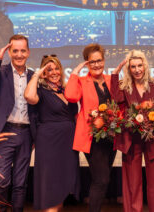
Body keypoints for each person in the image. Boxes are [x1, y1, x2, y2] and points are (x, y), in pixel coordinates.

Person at [0, 34, 37, 212]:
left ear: (28, 52)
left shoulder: (33, 76)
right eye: (15, 51)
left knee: (21, 183)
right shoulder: (1, 71)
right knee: (2, 181)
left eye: (23, 50)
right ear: (9, 52)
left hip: (26, 133)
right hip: (4, 131)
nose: (19, 54)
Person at [111, 50, 154, 212]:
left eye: (139, 65)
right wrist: (115, 73)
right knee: (132, 182)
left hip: (153, 138)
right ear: (128, 69)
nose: (137, 70)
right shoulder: (124, 86)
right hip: (130, 138)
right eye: (133, 66)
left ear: (145, 66)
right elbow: (115, 101)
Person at [24, 55, 80, 211]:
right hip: (49, 143)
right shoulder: (40, 90)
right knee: (51, 186)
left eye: (56, 68)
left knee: (61, 186)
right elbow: (29, 96)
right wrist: (36, 74)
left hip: (68, 143)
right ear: (44, 73)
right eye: (49, 69)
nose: (54, 72)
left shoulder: (66, 89)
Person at [64, 43, 116, 212]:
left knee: (103, 179)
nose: (96, 65)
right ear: (86, 63)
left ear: (104, 60)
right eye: (91, 62)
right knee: (101, 180)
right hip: (91, 137)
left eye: (99, 60)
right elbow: (71, 96)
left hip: (110, 137)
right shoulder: (81, 81)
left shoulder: (109, 80)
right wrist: (75, 72)